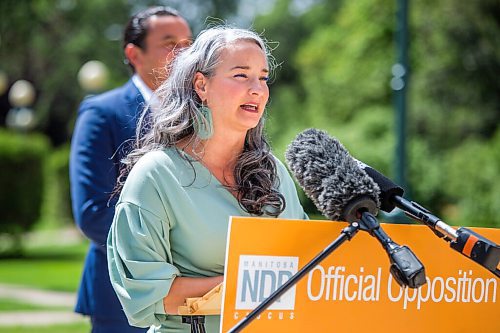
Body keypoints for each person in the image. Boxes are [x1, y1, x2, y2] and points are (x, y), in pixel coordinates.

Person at [107, 26, 308, 333]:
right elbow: (148, 297)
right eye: (241, 75)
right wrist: (254, 289)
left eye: (263, 77)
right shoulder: (156, 175)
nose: (257, 88)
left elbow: (305, 264)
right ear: (201, 84)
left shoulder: (273, 172)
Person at [69, 6, 192, 333]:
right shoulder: (102, 113)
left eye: (188, 43)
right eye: (170, 43)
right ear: (134, 53)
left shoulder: (205, 115)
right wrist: (183, 245)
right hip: (122, 292)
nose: (183, 53)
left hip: (198, 298)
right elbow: (93, 213)